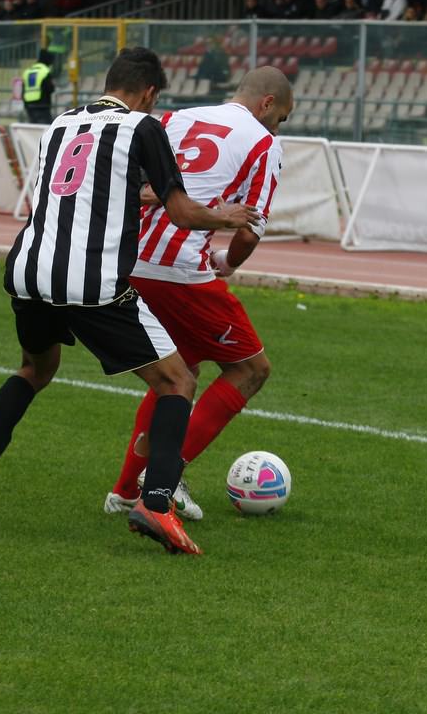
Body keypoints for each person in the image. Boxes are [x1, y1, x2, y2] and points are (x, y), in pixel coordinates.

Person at [0, 47, 260, 555]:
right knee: (178, 379)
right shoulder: (143, 127)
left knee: (33, 371)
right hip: (88, 280)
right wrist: (226, 217)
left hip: (28, 270)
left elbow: (93, 191)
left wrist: (155, 196)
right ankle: (155, 503)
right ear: (150, 94)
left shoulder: (61, 124)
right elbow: (182, 214)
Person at [104, 67, 292, 522]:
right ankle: (165, 474)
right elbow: (249, 229)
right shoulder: (263, 143)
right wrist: (226, 266)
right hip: (178, 269)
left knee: (177, 370)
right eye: (281, 117)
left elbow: (134, 186)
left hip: (130, 261)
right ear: (267, 103)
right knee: (250, 369)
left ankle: (126, 489)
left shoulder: (172, 119)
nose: (279, 127)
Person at [21, 49, 56, 124]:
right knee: (44, 129)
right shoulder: (45, 71)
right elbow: (50, 88)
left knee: (33, 128)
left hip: (29, 105)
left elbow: (23, 89)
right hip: (42, 105)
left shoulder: (28, 71)